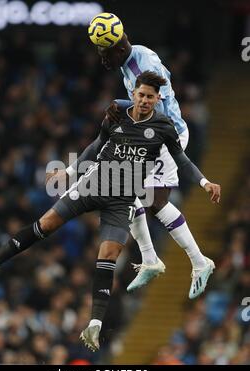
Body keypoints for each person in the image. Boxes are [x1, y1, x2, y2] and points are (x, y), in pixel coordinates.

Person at [0, 71, 220, 351]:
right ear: (134, 94)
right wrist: (70, 170)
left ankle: (94, 325)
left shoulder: (163, 127)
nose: (145, 100)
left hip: (121, 201)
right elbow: (98, 144)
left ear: (157, 99)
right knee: (47, 224)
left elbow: (182, 161)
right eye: (141, 95)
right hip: (93, 184)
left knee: (109, 255)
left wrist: (205, 182)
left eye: (151, 96)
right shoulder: (116, 113)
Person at [91, 26, 215, 297]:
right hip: (152, 135)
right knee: (139, 198)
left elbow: (154, 107)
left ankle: (189, 261)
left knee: (145, 199)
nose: (102, 60)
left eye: (105, 54)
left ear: (119, 49)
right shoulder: (135, 57)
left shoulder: (138, 68)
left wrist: (122, 105)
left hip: (165, 135)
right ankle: (158, 260)